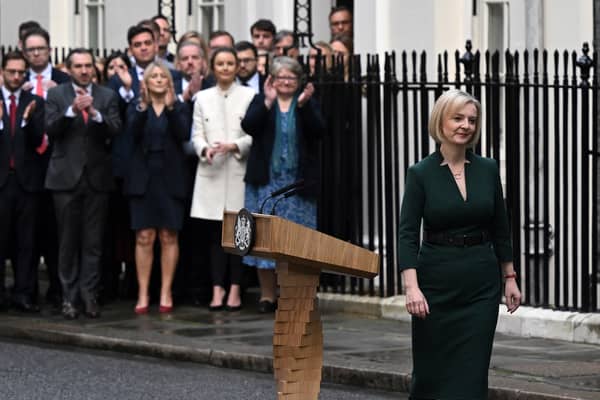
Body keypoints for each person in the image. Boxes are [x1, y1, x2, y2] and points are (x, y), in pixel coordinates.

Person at [397, 89, 521, 399]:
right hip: (436, 282)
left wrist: (510, 277)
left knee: (472, 370)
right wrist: (411, 287)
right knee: (431, 371)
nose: (466, 125)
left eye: (472, 120)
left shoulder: (487, 168)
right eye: (458, 118)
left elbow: (500, 226)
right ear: (441, 121)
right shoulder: (420, 173)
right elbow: (408, 233)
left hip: (480, 283)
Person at [241, 56, 325, 313]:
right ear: (272, 80)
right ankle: (268, 296)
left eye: (291, 77)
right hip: (266, 182)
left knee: (297, 242)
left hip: (298, 184)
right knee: (265, 239)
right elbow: (249, 126)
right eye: (281, 77)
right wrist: (266, 101)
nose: (286, 82)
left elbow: (320, 131)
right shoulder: (262, 101)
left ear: (299, 80)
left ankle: (294, 295)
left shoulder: (306, 102)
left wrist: (304, 106)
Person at [45, 48, 121, 319]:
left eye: (88, 65)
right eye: (78, 66)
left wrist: (96, 114)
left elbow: (115, 129)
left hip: (97, 179)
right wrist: (70, 112)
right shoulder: (56, 95)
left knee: (93, 242)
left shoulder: (107, 96)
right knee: (67, 241)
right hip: (65, 179)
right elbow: (51, 129)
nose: (84, 70)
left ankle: (90, 296)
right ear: (69, 68)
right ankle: (69, 297)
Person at [190, 47, 254, 312]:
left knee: (239, 233)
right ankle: (217, 288)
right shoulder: (202, 97)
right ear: (213, 68)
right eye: (221, 63)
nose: (226, 68)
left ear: (237, 66)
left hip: (239, 171)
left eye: (230, 63)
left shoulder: (250, 96)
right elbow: (196, 134)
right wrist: (205, 149)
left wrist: (235, 145)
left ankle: (236, 289)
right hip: (212, 171)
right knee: (215, 236)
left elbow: (255, 134)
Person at [124, 61, 190, 314]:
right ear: (146, 82)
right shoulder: (136, 106)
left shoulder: (179, 107)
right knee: (144, 236)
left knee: (168, 235)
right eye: (155, 76)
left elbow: (183, 134)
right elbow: (131, 132)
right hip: (143, 178)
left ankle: (165, 291)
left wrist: (172, 107)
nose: (160, 79)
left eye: (164, 76)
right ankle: (143, 293)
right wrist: (143, 104)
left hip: (170, 178)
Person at [22, 26, 71, 309]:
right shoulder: (19, 81)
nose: (36, 54)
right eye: (31, 50)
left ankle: (58, 287)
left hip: (60, 164)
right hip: (31, 167)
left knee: (58, 232)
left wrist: (60, 93)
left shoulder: (64, 80)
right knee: (31, 233)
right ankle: (27, 291)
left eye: (41, 48)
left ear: (50, 50)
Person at [0, 51, 45, 312]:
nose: (16, 77)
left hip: (27, 183)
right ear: (3, 72)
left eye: (20, 72)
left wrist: (28, 121)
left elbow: (40, 141)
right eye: (11, 72)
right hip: (2, 182)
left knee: (26, 242)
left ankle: (24, 293)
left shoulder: (35, 102)